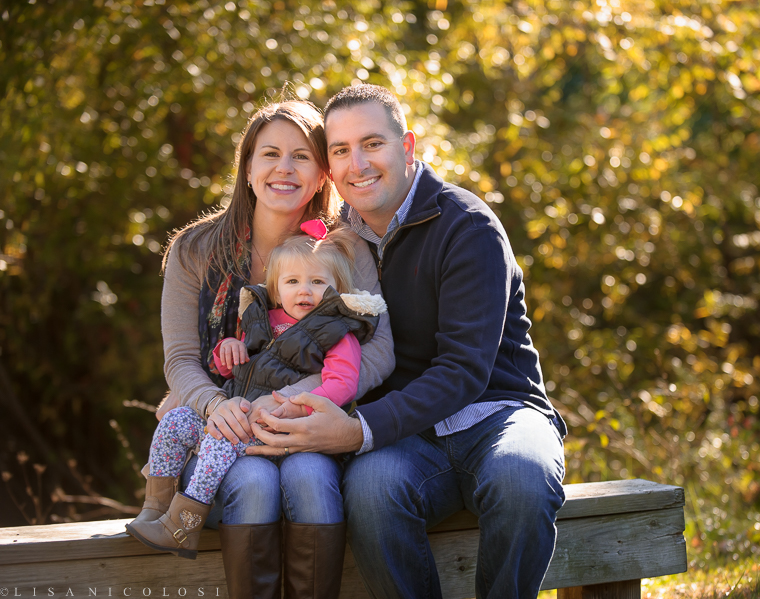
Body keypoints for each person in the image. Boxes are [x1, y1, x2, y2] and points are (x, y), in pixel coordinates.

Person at [248, 84, 567, 599]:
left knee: (522, 479)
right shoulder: (335, 246)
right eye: (341, 150)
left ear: (408, 147)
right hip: (410, 436)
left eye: (373, 144)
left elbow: (464, 371)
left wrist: (358, 430)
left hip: (498, 412)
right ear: (329, 167)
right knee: (371, 491)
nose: (359, 163)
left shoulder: (467, 226)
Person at [153, 100, 394, 598]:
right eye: (269, 154)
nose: (284, 169)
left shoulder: (346, 249)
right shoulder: (195, 251)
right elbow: (179, 360)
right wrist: (216, 404)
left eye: (301, 156)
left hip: (312, 421)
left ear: (322, 172)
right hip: (224, 433)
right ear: (247, 167)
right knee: (256, 484)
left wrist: (288, 404)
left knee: (308, 475)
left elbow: (378, 350)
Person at [127, 224, 386, 570]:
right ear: (276, 288)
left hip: (277, 426)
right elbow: (232, 370)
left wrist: (290, 405)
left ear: (337, 289)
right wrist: (229, 349)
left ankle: (182, 526)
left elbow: (341, 384)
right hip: (236, 411)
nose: (304, 291)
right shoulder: (264, 319)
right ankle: (155, 507)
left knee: (220, 439)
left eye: (318, 282)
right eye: (292, 282)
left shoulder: (339, 334)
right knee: (175, 422)